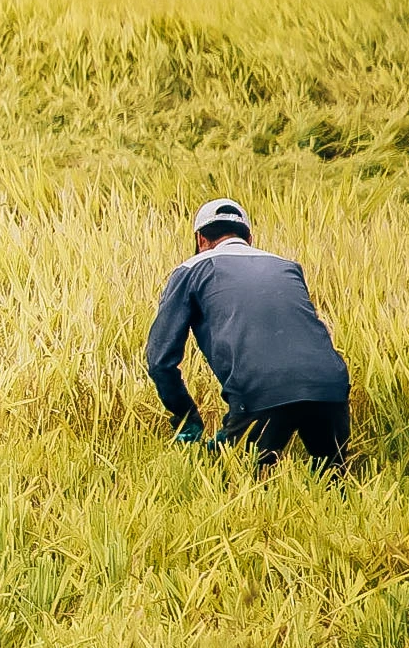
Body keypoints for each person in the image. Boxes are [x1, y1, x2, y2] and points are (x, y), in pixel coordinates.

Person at [146, 198, 350, 471]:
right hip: (330, 386)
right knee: (332, 483)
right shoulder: (286, 265)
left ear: (200, 239)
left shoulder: (191, 269)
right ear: (249, 238)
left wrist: (187, 419)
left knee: (225, 480)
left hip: (259, 390)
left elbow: (160, 360)